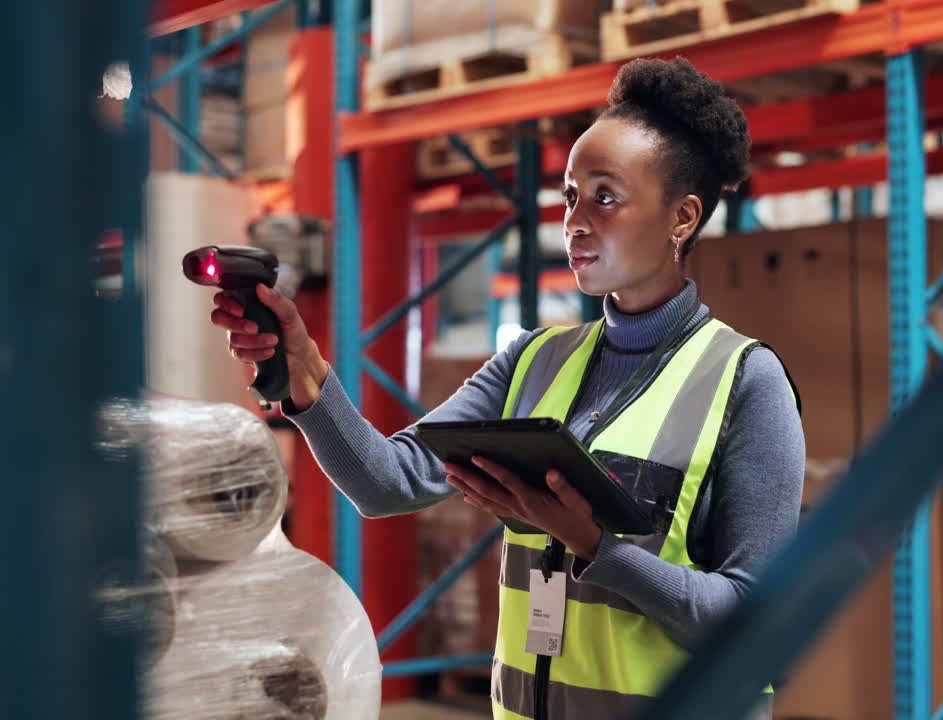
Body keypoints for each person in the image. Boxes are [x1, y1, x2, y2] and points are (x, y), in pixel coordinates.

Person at [211, 56, 804, 720]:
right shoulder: (533, 361)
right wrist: (308, 381)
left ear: (682, 218)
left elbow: (758, 628)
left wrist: (596, 548)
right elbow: (387, 482)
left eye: (605, 196)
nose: (575, 221)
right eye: (571, 195)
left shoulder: (746, 384)